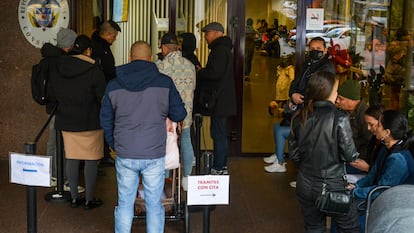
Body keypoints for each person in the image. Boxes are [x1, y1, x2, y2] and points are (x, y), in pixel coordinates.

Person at [100, 41, 186, 233]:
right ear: (150, 59)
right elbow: (179, 114)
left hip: (125, 152)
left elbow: (105, 120)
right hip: (154, 153)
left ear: (130, 58)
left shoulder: (113, 85)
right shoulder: (165, 83)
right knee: (154, 205)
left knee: (124, 204)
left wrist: (115, 144)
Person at [288, 71, 360, 232]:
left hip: (305, 183)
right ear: (328, 92)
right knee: (350, 228)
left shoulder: (299, 115)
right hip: (332, 184)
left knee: (314, 227)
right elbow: (349, 155)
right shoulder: (339, 117)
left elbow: (293, 155)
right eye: (336, 89)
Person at [50, 35, 107, 209]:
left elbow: (53, 92)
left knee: (72, 157)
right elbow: (102, 97)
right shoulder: (94, 70)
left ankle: (74, 197)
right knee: (91, 159)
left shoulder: (59, 67)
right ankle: (89, 199)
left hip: (66, 120)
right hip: (90, 121)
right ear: (88, 50)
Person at [42, 27, 85, 193]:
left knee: (53, 142)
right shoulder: (62, 61)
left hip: (52, 107)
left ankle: (51, 176)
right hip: (63, 107)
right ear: (69, 44)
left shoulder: (48, 58)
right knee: (67, 144)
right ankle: (65, 180)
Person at [157, 33, 196, 191]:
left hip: (166, 115)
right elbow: (193, 88)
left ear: (165, 48)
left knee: (167, 145)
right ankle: (186, 178)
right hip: (185, 113)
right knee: (186, 142)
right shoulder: (190, 65)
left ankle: (165, 178)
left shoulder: (160, 66)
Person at [196, 22, 236, 175]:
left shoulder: (219, 50)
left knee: (218, 134)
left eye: (206, 33)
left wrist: (201, 72)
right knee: (219, 133)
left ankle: (219, 167)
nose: (205, 37)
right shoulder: (224, 49)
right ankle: (222, 165)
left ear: (215, 33)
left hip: (219, 100)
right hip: (222, 100)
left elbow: (214, 73)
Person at [348, 110, 414, 202]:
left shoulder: (398, 159)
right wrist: (356, 186)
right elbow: (372, 175)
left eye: (378, 125)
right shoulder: (385, 147)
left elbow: (381, 190)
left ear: (387, 132)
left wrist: (354, 192)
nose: (374, 128)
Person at [91, 20, 121, 166]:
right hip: (101, 91)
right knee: (104, 121)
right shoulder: (98, 47)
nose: (114, 39)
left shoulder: (102, 46)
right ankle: (103, 155)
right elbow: (107, 69)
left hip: (104, 89)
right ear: (106, 34)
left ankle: (104, 153)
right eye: (114, 36)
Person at [336, 79, 372, 173]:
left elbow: (369, 142)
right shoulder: (343, 111)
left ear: (353, 100)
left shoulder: (365, 115)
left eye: (341, 98)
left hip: (358, 162)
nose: (337, 101)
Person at [289, 36, 336, 108]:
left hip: (314, 106)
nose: (315, 51)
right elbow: (296, 80)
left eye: (318, 48)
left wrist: (302, 98)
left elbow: (319, 88)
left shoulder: (327, 66)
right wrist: (293, 94)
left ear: (325, 50)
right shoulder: (306, 63)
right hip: (300, 103)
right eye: (312, 48)